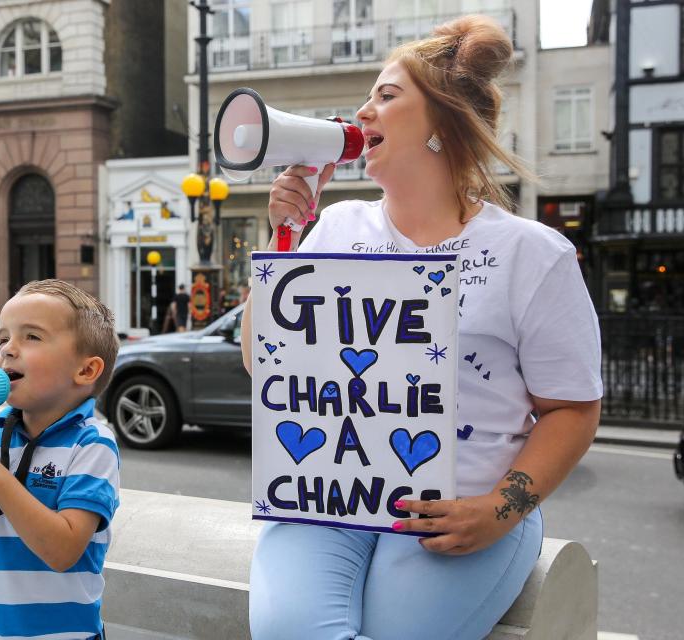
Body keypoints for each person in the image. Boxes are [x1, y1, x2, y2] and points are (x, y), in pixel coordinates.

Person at [240, 15, 602, 640]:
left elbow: (572, 407)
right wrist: (285, 244)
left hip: (456, 513)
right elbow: (265, 361)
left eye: (387, 95)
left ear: (444, 122)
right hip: (327, 499)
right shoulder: (334, 229)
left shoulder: (532, 255)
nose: (364, 111)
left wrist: (499, 510)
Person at [0, 279, 120, 640]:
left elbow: (63, 551)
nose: (8, 351)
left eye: (32, 337)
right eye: (3, 338)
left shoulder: (92, 444)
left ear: (86, 370)